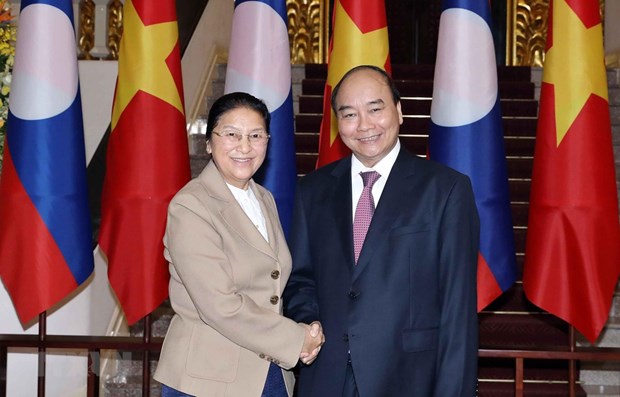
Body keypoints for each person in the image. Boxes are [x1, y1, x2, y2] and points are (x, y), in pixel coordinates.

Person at [283, 65, 480, 396]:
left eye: (375, 109)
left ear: (399, 111)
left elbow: (457, 309)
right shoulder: (313, 191)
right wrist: (309, 322)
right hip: (326, 378)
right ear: (337, 124)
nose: (364, 125)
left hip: (409, 378)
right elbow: (301, 280)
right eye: (349, 114)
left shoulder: (445, 190)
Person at [154, 92, 325, 397]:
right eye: (231, 134)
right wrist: (296, 339)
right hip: (209, 380)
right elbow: (219, 305)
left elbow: (272, 284)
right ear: (209, 142)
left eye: (256, 135)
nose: (244, 146)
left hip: (270, 372)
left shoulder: (264, 198)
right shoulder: (191, 205)